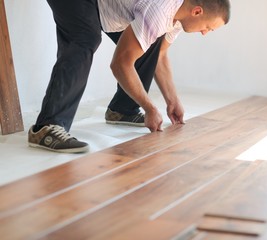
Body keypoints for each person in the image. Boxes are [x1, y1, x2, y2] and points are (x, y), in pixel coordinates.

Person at [28, 0, 231, 153]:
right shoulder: (161, 11)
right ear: (197, 11)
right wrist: (149, 107)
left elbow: (159, 55)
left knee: (151, 44)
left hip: (101, 4)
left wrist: (172, 100)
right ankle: (47, 127)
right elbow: (120, 64)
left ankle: (122, 110)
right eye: (208, 27)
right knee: (84, 38)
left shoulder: (178, 17)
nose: (205, 33)